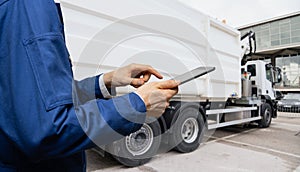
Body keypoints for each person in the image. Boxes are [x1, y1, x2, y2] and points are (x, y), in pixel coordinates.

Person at [0, 0, 179, 171]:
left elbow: (37, 96)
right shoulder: (27, 6)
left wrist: (106, 81)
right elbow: (47, 131)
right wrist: (138, 104)